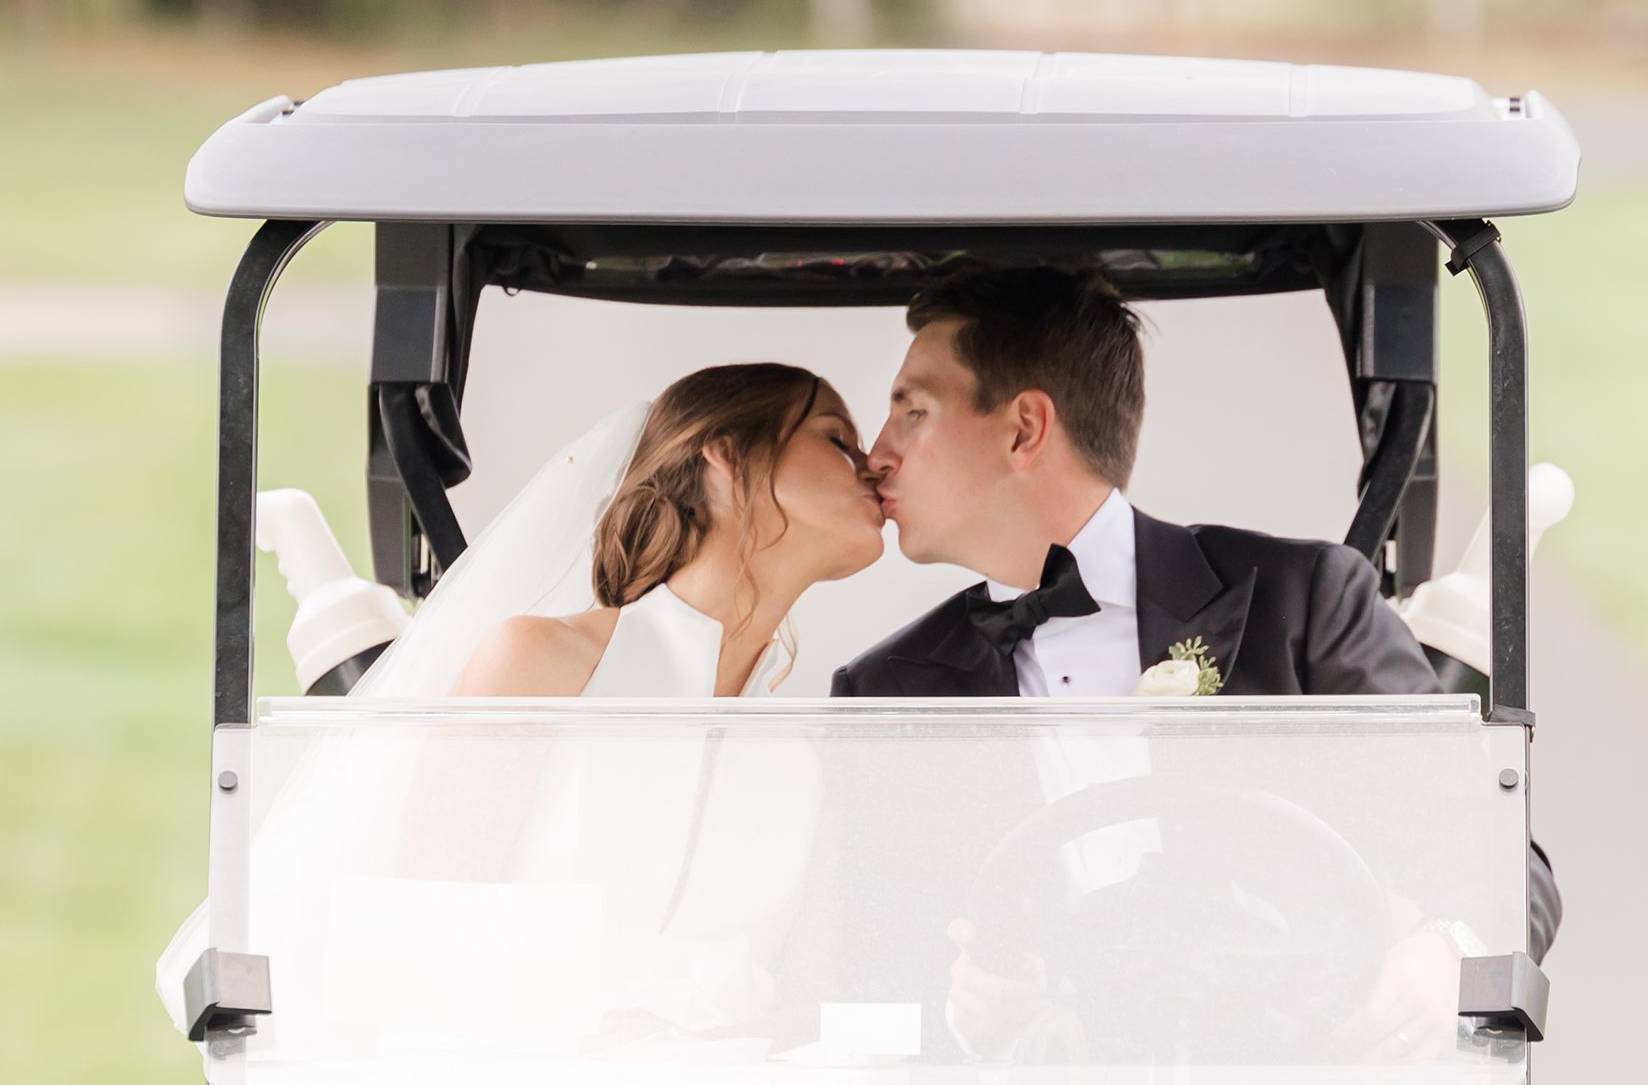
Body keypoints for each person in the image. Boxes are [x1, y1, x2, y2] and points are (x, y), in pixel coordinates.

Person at [833, 266, 1560, 959]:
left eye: (913, 412)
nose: (875, 456)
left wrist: (1443, 955)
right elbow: (877, 974)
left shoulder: (1303, 605)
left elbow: (1506, 873)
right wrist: (971, 1022)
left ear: (1024, 428)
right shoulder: (885, 694)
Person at [450, 363, 885, 700]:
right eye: (838, 440)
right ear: (730, 456)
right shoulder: (537, 661)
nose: (874, 467)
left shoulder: (795, 761)